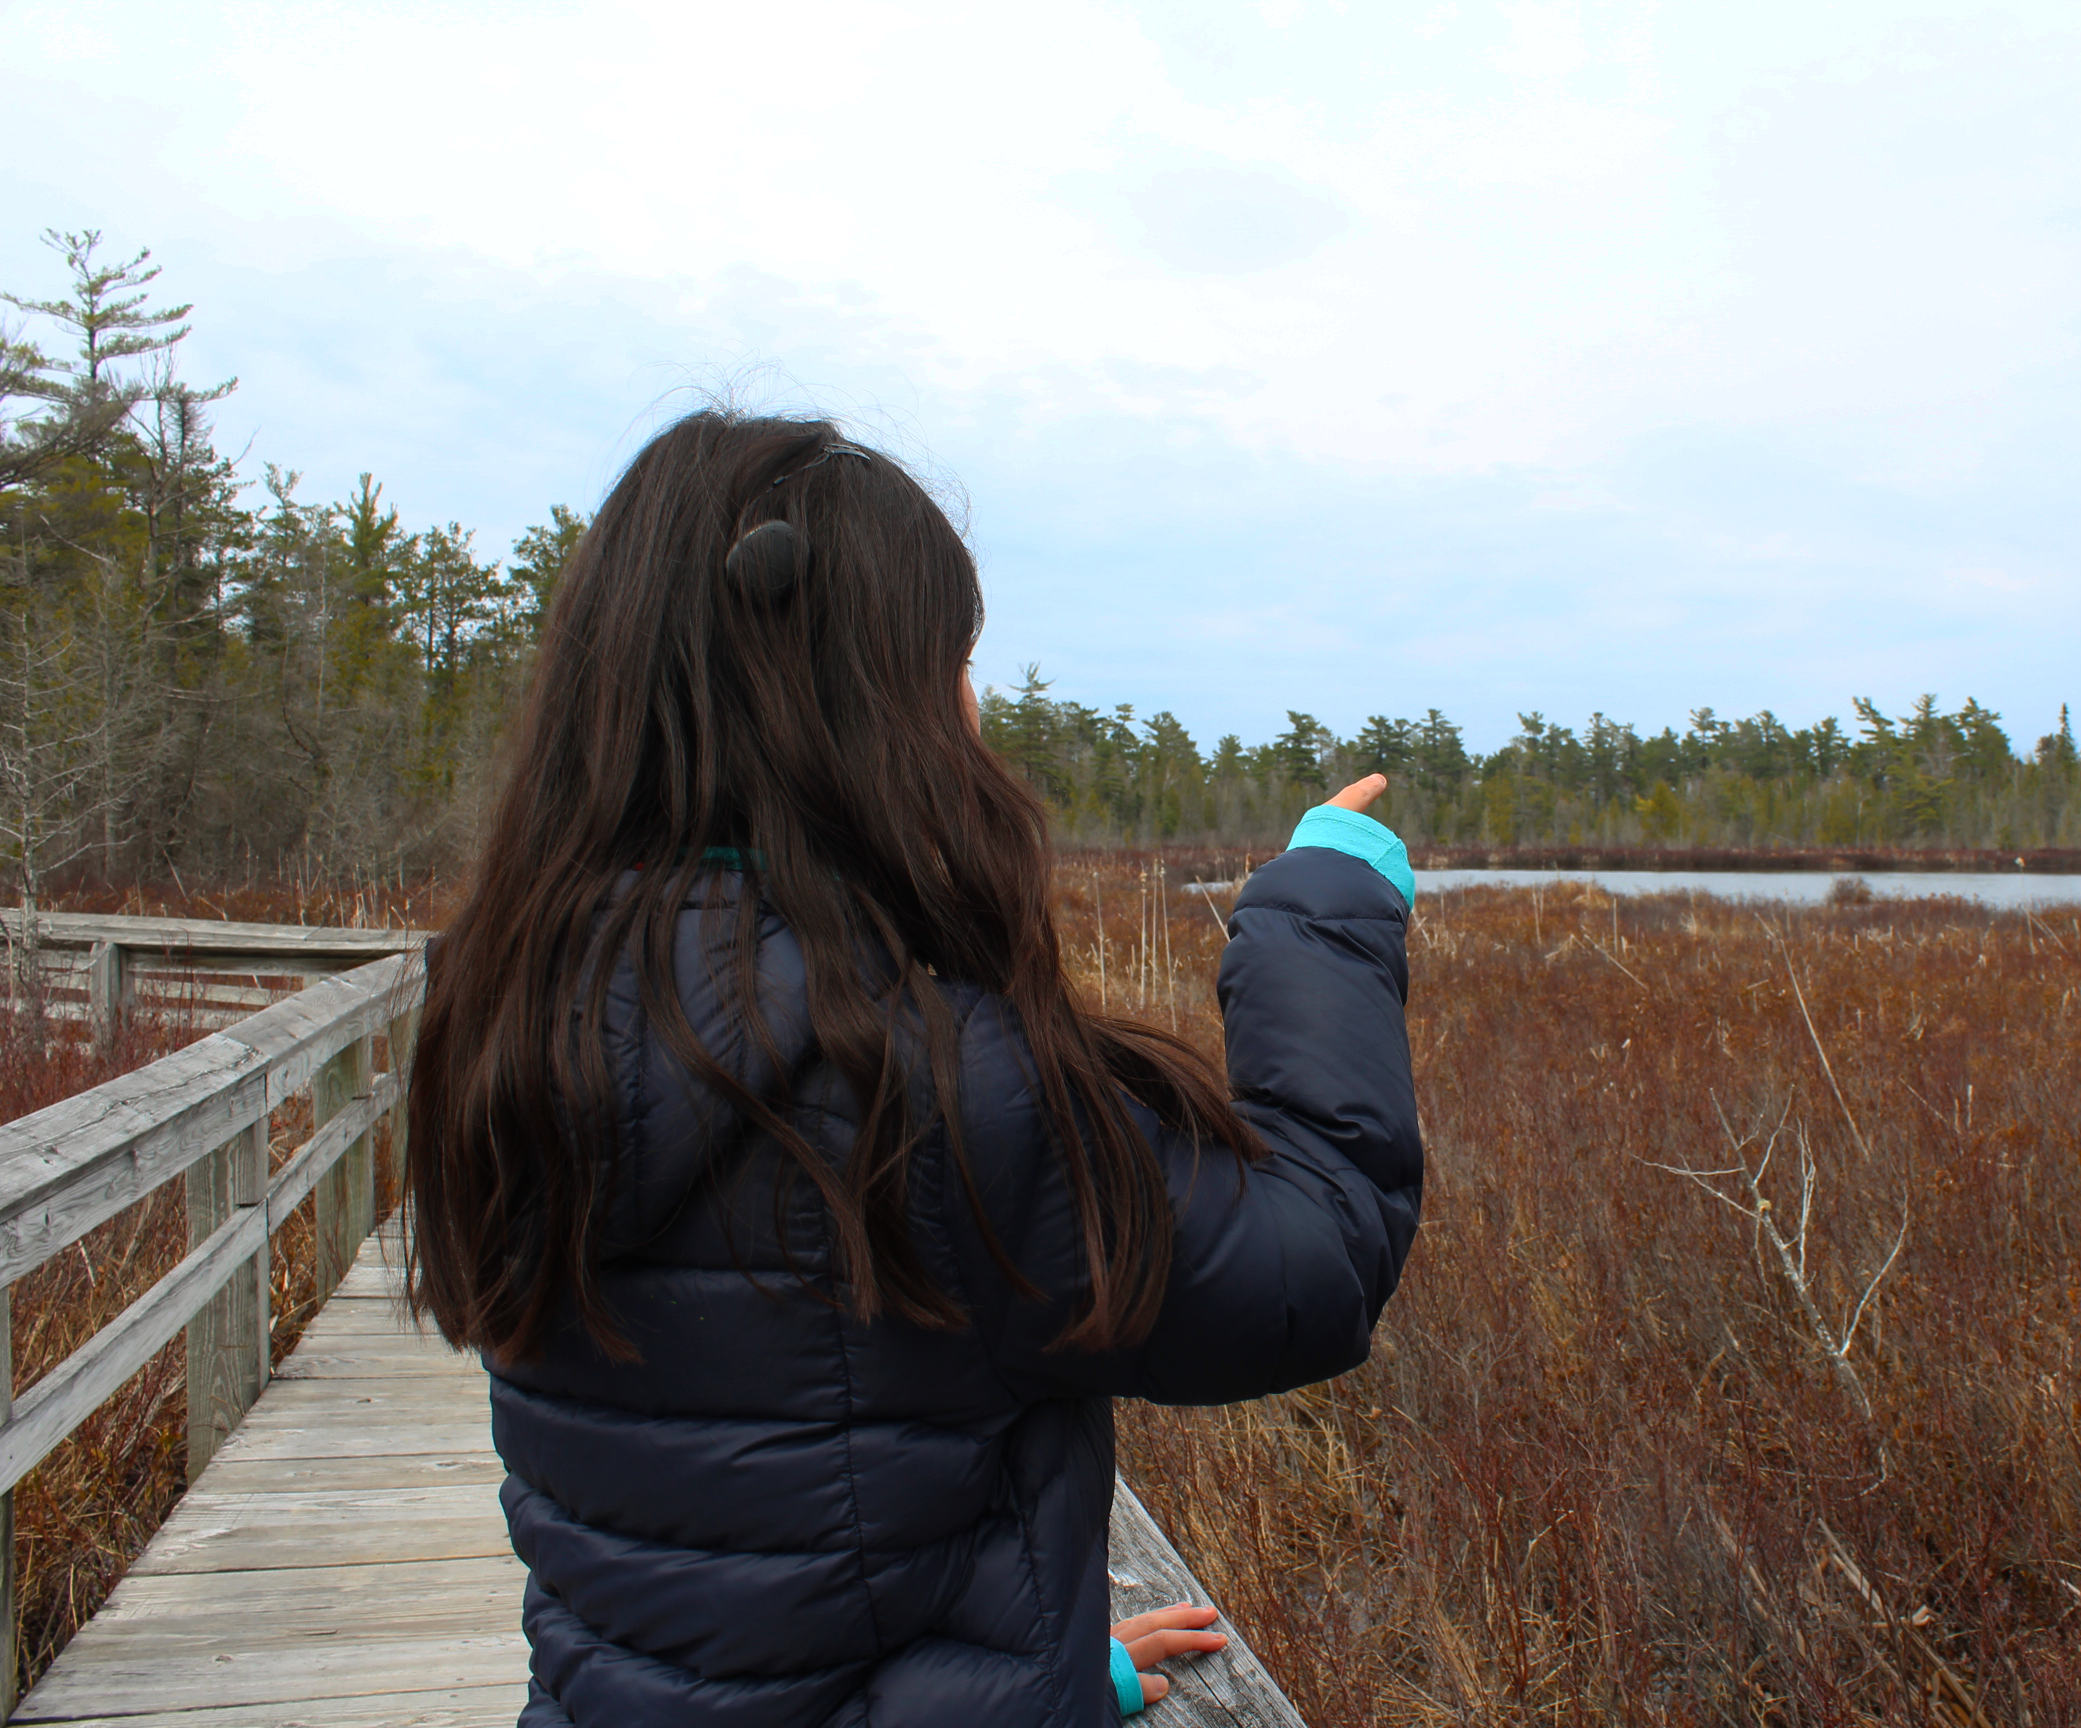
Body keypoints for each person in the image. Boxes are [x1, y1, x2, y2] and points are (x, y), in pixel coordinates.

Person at [402, 412, 1423, 1727]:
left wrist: (1042, 1672)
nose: (974, 704)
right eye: (952, 660)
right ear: (864, 706)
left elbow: (732, 1557)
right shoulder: (936, 1088)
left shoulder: (505, 1021)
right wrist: (1320, 912)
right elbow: (1318, 1261)